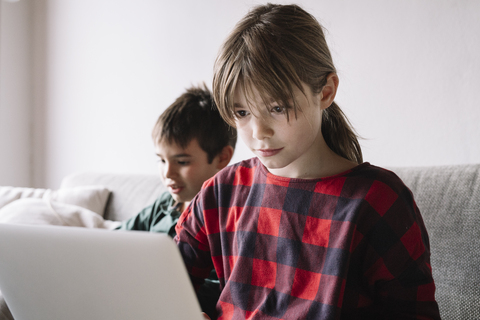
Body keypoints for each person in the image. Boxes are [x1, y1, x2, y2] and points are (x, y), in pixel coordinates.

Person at [175, 4, 441, 320]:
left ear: (325, 92)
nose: (259, 132)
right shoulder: (220, 192)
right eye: (242, 113)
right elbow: (162, 285)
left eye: (276, 108)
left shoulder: (377, 201)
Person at [116, 84, 236, 319]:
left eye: (182, 162)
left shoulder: (230, 215)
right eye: (161, 160)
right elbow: (114, 242)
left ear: (222, 157)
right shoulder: (163, 206)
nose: (167, 173)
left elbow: (222, 289)